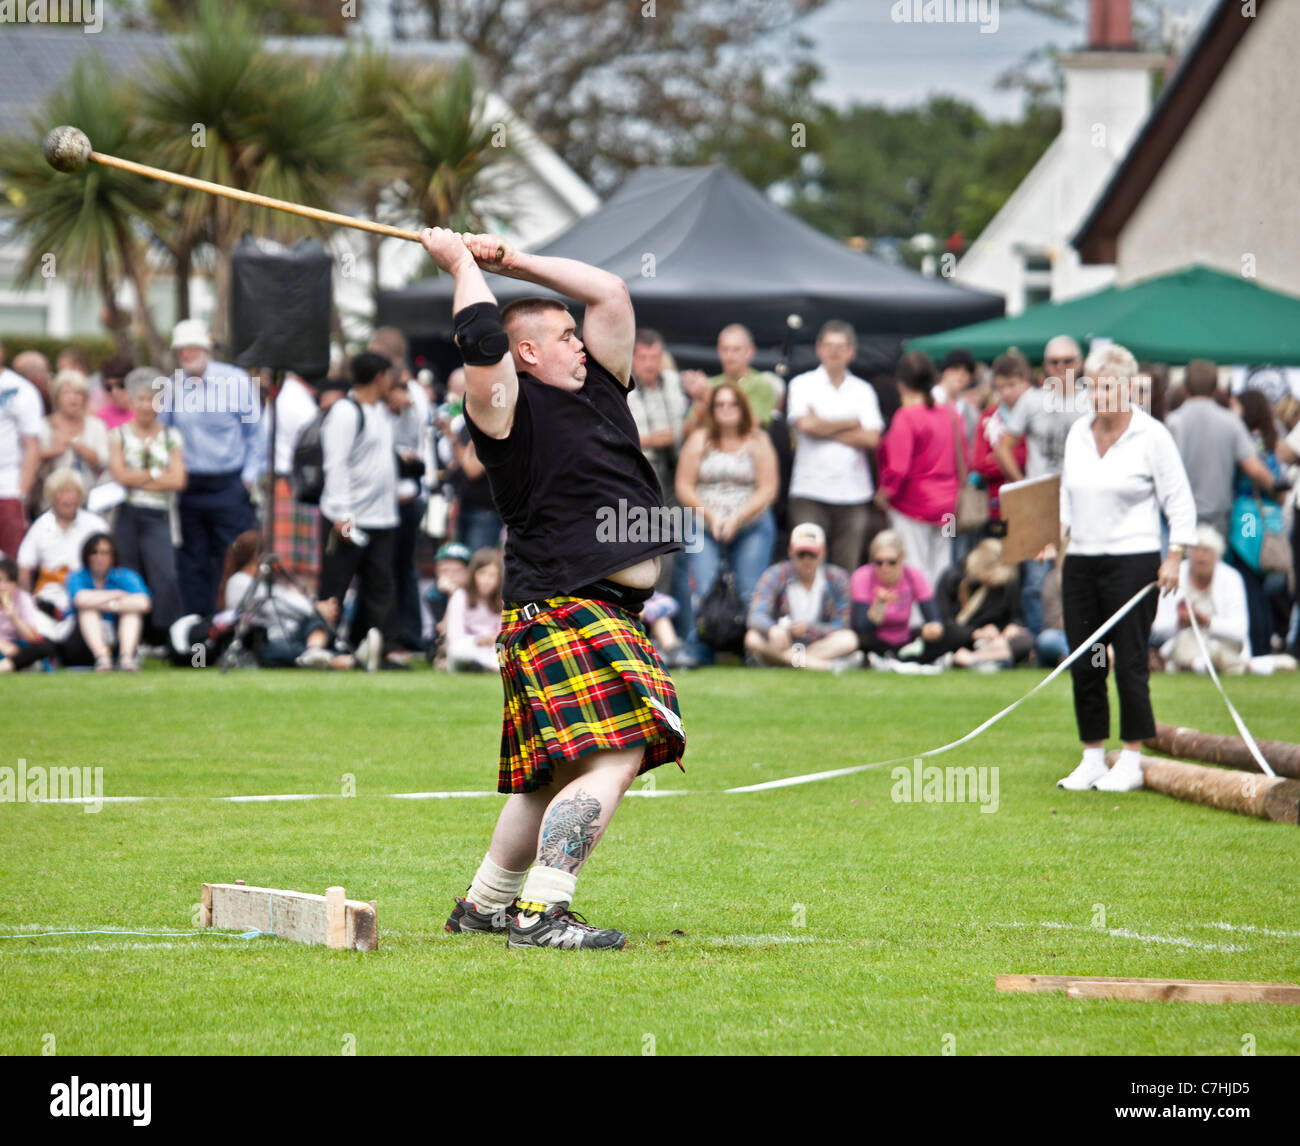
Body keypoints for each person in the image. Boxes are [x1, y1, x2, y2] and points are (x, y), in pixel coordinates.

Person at [422, 225, 685, 950]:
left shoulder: (602, 383)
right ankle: (544, 912)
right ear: (528, 353)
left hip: (599, 606)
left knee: (552, 776)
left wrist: (508, 258)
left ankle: (484, 905)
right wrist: (458, 266)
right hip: (564, 604)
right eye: (562, 335)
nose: (578, 341)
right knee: (621, 750)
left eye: (577, 333)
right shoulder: (507, 412)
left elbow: (611, 291)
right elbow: (481, 340)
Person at [1054, 344, 1197, 793]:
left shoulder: (1152, 435)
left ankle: (1132, 757)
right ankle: (1093, 755)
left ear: (1130, 389)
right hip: (1081, 561)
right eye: (1093, 388)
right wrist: (1051, 540)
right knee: (1086, 659)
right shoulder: (1077, 432)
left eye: (1108, 388)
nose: (1099, 396)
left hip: (1133, 561)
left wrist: (1174, 555)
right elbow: (1065, 497)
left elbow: (1179, 501)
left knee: (1130, 660)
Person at [161, 318, 263, 617]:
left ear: (206, 348)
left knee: (233, 556)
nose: (186, 355)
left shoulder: (236, 381)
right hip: (189, 487)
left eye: (192, 348)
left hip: (228, 485)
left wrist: (246, 479)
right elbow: (164, 434)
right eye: (181, 350)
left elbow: (255, 432)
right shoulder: (173, 387)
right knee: (192, 560)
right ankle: (198, 628)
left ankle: (234, 624)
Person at [992, 346, 1091, 636]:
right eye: (1053, 360)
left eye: (1067, 360)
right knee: (1035, 576)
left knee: (1078, 571)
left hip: (1080, 498)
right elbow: (1003, 448)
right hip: (1040, 498)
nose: (1060, 365)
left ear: (1080, 362)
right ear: (1044, 365)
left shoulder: (1089, 399)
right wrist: (1024, 481)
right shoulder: (1032, 400)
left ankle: (1075, 636)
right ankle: (1037, 641)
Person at [675, 382, 779, 657]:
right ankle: (698, 649)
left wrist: (735, 518)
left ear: (742, 407)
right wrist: (712, 516)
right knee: (704, 588)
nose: (725, 410)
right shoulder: (699, 439)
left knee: (749, 590)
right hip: (705, 524)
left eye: (731, 404)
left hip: (751, 525)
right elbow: (684, 486)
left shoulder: (758, 440)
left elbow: (768, 488)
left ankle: (751, 650)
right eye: (719, 404)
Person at [318, 351, 399, 666]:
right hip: (351, 517)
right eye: (388, 376)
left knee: (380, 586)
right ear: (379, 377)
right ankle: (322, 642)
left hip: (382, 518)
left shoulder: (381, 411)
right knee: (336, 582)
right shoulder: (345, 412)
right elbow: (335, 463)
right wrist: (342, 514)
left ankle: (379, 647)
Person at [786, 321, 884, 574]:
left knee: (846, 569)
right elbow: (805, 425)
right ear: (818, 349)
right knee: (806, 566)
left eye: (840, 347)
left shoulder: (864, 390)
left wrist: (822, 426)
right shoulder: (801, 383)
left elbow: (872, 439)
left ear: (851, 351)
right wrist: (852, 423)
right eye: (828, 346)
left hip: (853, 492)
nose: (834, 352)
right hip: (810, 489)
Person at [875, 351, 966, 588]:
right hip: (949, 507)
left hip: (914, 505)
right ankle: (942, 616)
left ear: (901, 384)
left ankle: (919, 622)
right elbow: (965, 459)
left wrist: (886, 494)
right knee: (943, 562)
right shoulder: (951, 412)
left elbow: (897, 468)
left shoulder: (906, 417)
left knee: (914, 565)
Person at [108, 367, 187, 637]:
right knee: (127, 572)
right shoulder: (119, 435)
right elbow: (119, 475)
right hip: (127, 512)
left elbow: (177, 480)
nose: (146, 405)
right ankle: (129, 635)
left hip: (158, 513)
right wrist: (155, 475)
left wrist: (138, 478)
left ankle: (166, 635)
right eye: (140, 399)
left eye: (152, 399)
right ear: (132, 401)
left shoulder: (170, 436)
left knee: (165, 574)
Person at [219, 531, 360, 671]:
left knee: (314, 621)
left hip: (284, 635)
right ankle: (348, 659)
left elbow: (282, 599)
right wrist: (315, 607)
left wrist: (315, 608)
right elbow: (279, 603)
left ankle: (316, 651)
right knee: (287, 648)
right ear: (258, 556)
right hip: (263, 643)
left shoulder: (258, 582)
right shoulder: (240, 581)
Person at [1165, 360, 1275, 538]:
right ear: (1216, 388)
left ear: (1185, 387)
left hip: (1177, 517)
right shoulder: (1230, 421)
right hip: (1217, 520)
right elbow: (1254, 469)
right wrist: (1273, 485)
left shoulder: (1171, 422)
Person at [744, 522, 861, 671]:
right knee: (752, 638)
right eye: (801, 554)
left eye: (812, 554)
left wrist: (810, 629)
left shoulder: (838, 579)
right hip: (783, 642)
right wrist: (773, 629)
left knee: (849, 639)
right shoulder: (775, 574)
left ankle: (791, 662)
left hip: (817, 644)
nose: (807, 560)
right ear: (791, 552)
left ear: (823, 552)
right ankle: (821, 666)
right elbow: (755, 615)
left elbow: (841, 624)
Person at [1227, 389, 1291, 657]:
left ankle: (1258, 646)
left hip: (1248, 521)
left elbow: (1259, 475)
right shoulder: (1269, 440)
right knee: (1261, 588)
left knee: (1248, 584)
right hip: (1267, 517)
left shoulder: (1249, 441)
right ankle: (1264, 642)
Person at [16, 469, 110, 628]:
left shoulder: (96, 526)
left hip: (87, 595)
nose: (67, 498)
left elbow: (110, 562)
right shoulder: (41, 525)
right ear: (52, 496)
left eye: (71, 492)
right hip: (49, 598)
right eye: (61, 492)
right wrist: (26, 604)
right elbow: (24, 565)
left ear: (80, 496)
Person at [1150, 525, 1250, 675]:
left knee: (1223, 649)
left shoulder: (1231, 578)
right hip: (1182, 640)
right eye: (1196, 550)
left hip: (1221, 642)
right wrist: (1180, 621)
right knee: (1184, 642)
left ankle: (1203, 664)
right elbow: (1157, 628)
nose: (1200, 556)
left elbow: (1239, 630)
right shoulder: (1175, 575)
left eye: (1206, 551)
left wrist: (1204, 621)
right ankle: (1204, 665)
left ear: (1216, 556)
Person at [932, 539, 1031, 671]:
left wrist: (1012, 627)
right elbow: (944, 623)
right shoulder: (952, 577)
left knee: (1026, 640)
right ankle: (995, 662)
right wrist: (975, 633)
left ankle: (971, 660)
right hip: (961, 639)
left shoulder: (1007, 583)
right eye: (990, 579)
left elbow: (1015, 615)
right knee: (937, 636)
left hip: (993, 643)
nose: (993, 584)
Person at [849, 529, 945, 661]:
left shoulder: (914, 576)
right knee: (857, 640)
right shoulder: (862, 576)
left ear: (901, 559)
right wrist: (879, 605)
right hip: (874, 640)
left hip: (905, 639)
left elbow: (933, 618)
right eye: (879, 562)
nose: (885, 567)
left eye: (891, 562)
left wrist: (933, 629)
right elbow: (861, 628)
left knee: (950, 633)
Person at [63, 532, 151, 671]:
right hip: (80, 642)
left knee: (131, 613)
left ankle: (126, 658)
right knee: (88, 610)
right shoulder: (77, 576)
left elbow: (144, 603)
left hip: (116, 635)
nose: (99, 558)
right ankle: (102, 658)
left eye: (105, 553)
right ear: (86, 555)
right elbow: (80, 599)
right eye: (94, 552)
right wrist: (115, 594)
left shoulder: (125, 575)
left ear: (113, 556)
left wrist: (110, 605)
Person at [35, 369, 109, 513]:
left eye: (78, 393)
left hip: (87, 500)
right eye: (67, 393)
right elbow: (30, 459)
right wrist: (53, 451)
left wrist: (75, 444)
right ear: (57, 397)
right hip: (49, 501)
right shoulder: (43, 425)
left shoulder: (96, 425)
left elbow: (104, 459)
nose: (73, 398)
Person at [681, 324, 779, 429]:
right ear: (718, 351)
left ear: (750, 351)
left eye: (736, 349)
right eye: (725, 349)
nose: (729, 355)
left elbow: (749, 427)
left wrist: (706, 394)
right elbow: (688, 433)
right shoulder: (711, 383)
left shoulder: (761, 384)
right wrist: (698, 402)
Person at [1, 358, 43, 559]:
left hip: (8, 484)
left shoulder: (21, 390)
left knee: (10, 559)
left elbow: (31, 444)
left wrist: (22, 492)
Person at [445, 547, 504, 672]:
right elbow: (455, 636)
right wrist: (478, 641)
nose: (487, 580)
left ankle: (488, 667)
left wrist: (493, 639)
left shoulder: (501, 601)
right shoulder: (460, 596)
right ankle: (480, 666)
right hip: (468, 647)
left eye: (492, 575)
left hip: (491, 649)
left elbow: (502, 635)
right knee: (458, 650)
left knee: (506, 652)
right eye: (482, 573)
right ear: (473, 574)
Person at [0, 556, 59, 672]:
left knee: (45, 647)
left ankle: (6, 666)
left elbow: (31, 636)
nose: (3, 586)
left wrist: (14, 617)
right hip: (4, 647)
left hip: (17, 647)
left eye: (8, 581)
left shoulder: (23, 598)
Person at [94, 354, 136, 431]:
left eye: (121, 385)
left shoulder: (147, 413)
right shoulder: (99, 420)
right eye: (109, 388)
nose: (114, 392)